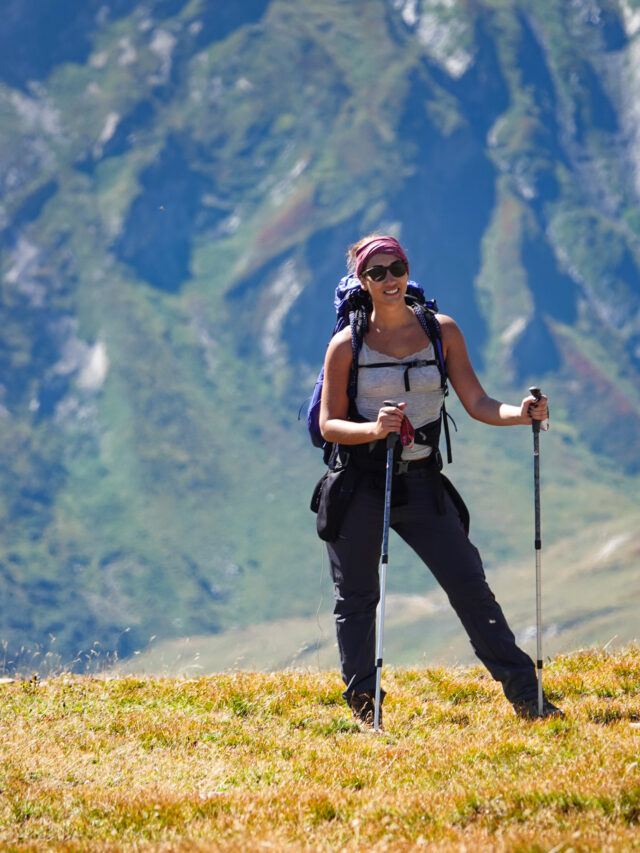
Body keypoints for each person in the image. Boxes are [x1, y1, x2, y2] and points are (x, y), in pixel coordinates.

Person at [318, 233, 563, 729]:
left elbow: (476, 401)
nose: (390, 279)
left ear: (408, 270)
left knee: (470, 586)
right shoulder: (347, 345)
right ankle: (366, 712)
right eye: (377, 272)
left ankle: (529, 700)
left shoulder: (440, 331)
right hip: (359, 484)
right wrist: (375, 429)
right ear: (361, 282)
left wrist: (523, 414)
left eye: (397, 267)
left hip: (423, 482)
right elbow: (329, 424)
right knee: (358, 598)